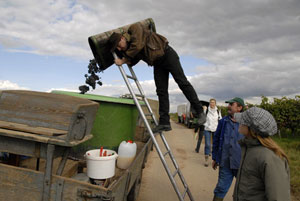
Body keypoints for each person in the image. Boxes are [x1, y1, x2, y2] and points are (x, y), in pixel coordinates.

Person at [108, 23, 206, 133]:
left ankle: (200, 111)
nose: (119, 48)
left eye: (118, 45)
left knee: (182, 82)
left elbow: (138, 45)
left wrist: (124, 60)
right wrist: (129, 61)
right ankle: (164, 122)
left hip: (167, 54)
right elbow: (137, 55)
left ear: (122, 38)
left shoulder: (135, 28)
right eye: (117, 48)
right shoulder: (131, 46)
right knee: (161, 91)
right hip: (157, 63)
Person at [233, 107, 290, 201]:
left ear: (253, 129)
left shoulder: (269, 158)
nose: (240, 123)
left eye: (243, 121)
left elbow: (278, 196)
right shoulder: (249, 148)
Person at [211, 97, 245, 201]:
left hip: (241, 164)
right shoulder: (223, 122)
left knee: (243, 190)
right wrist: (215, 158)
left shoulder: (246, 123)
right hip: (225, 162)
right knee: (221, 188)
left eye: (231, 104)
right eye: (228, 104)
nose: (228, 106)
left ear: (239, 108)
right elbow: (216, 140)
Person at [202, 98, 221, 167]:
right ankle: (206, 160)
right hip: (207, 129)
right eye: (211, 102)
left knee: (215, 145)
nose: (212, 104)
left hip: (215, 129)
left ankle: (215, 160)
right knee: (207, 144)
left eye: (213, 102)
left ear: (215, 104)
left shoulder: (218, 111)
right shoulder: (206, 110)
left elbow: (220, 120)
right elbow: (203, 118)